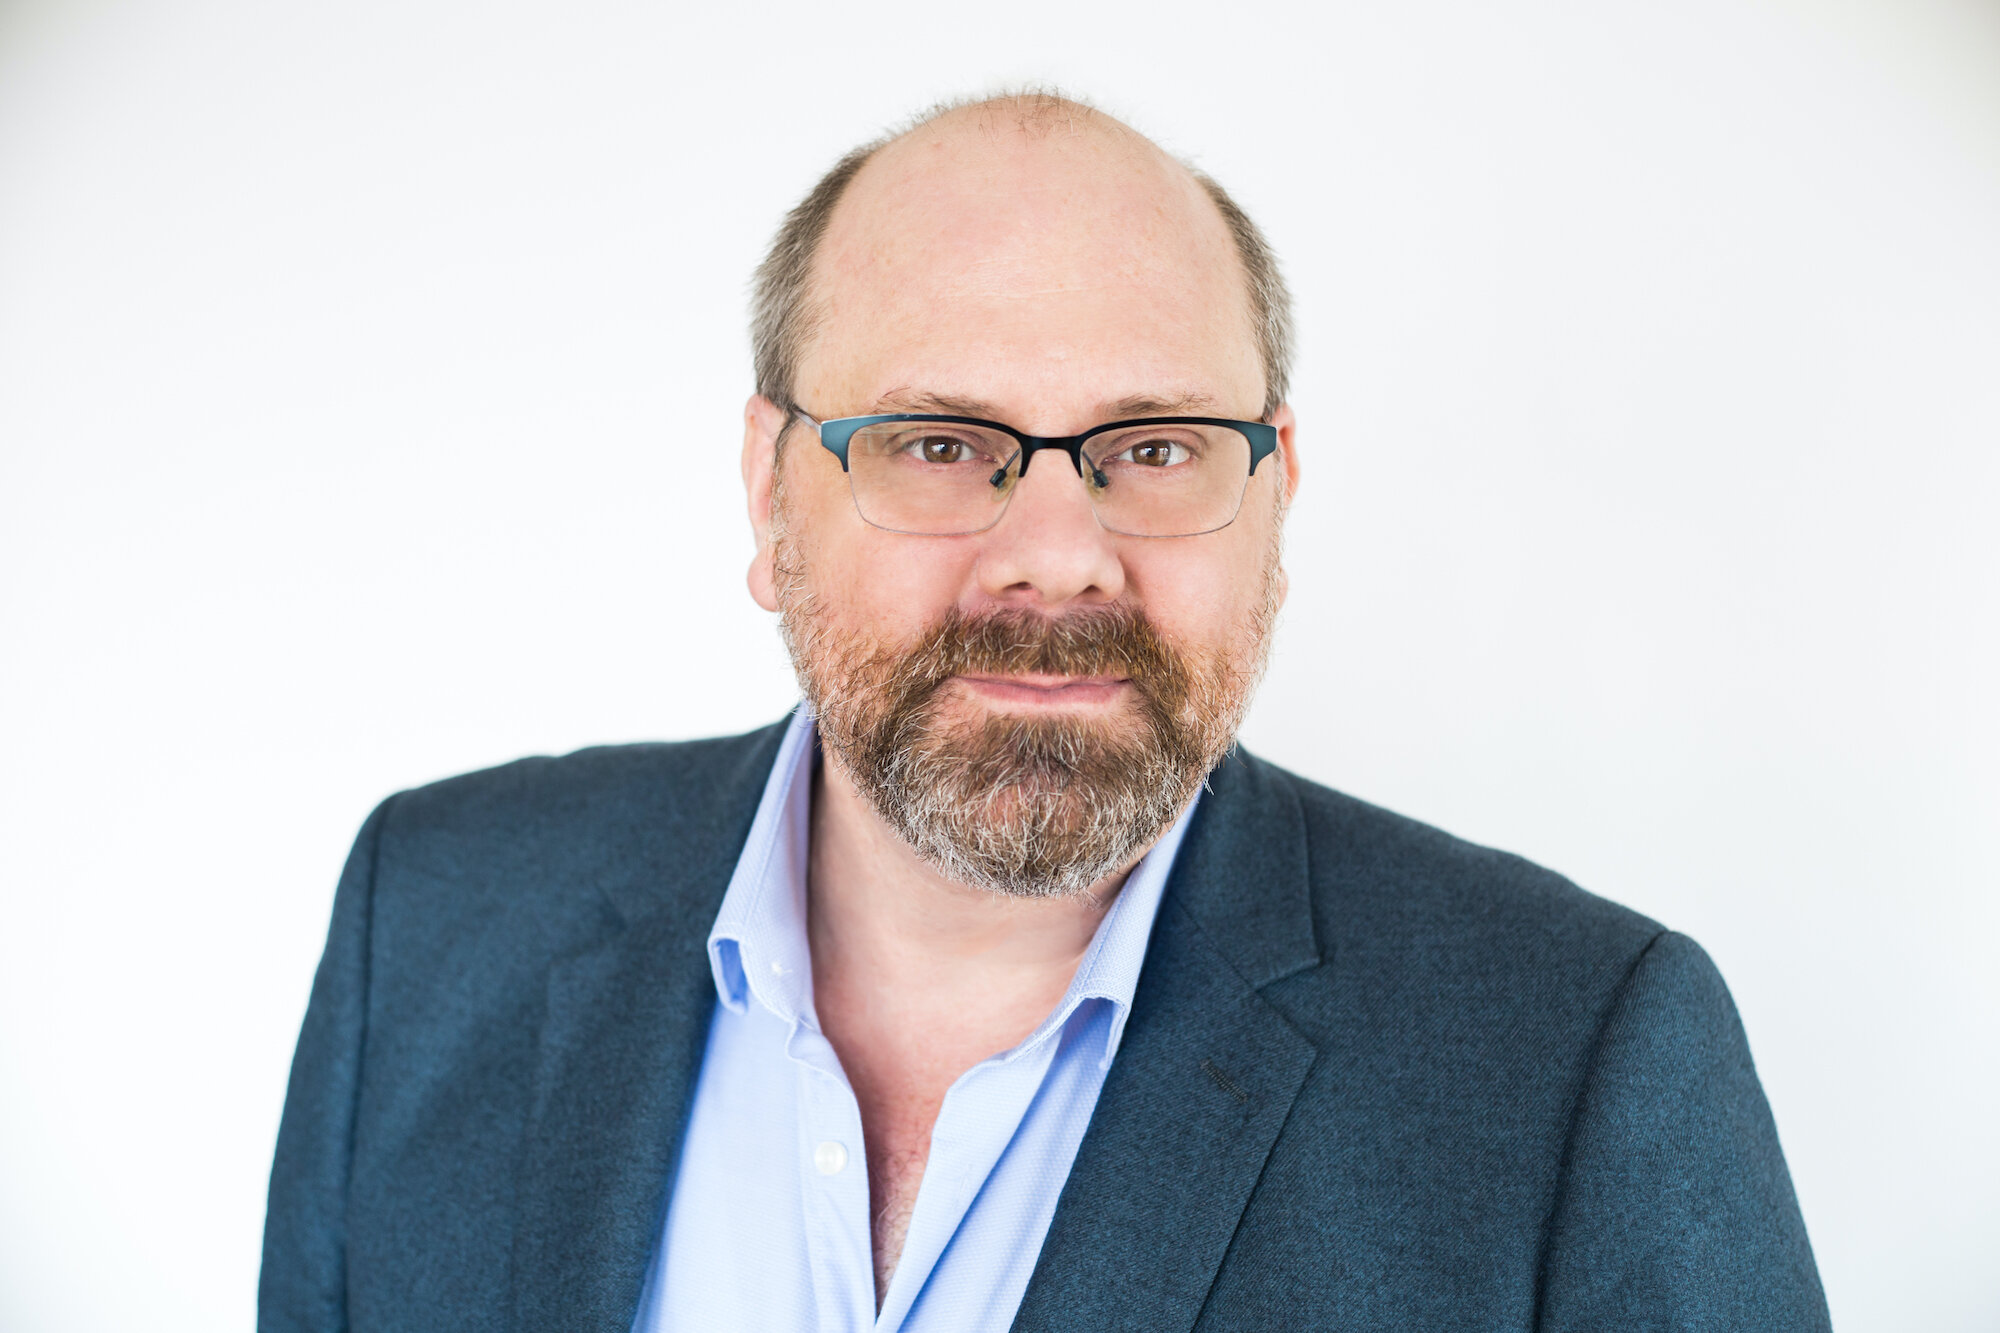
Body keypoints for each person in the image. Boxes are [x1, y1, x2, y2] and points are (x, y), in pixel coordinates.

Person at [259, 92, 1830, 1332]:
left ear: (1274, 488)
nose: (1058, 554)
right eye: (941, 443)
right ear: (770, 489)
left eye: (1155, 446)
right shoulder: (436, 922)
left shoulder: (1578, 1064)